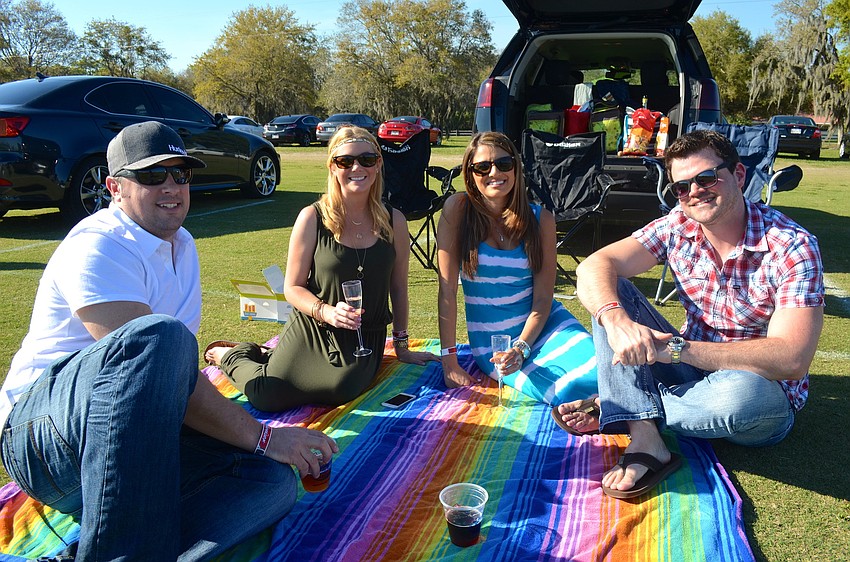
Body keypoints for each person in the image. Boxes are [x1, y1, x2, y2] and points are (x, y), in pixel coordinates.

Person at [0, 121, 338, 560]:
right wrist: (264, 437)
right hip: (46, 442)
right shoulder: (98, 245)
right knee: (159, 336)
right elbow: (145, 359)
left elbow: (169, 384)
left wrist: (258, 447)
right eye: (153, 175)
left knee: (269, 484)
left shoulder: (183, 245)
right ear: (114, 187)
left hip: (132, 440)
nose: (172, 186)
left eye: (181, 173)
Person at [557, 129, 824, 499]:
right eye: (681, 187)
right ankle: (647, 437)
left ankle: (617, 407)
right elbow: (593, 266)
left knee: (738, 397)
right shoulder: (677, 226)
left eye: (706, 178)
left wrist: (678, 351)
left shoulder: (792, 246)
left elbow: (791, 359)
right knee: (609, 291)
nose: (694, 192)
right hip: (689, 370)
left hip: (759, 389)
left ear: (739, 175)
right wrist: (616, 321)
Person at [205, 126, 436, 411]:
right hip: (314, 326)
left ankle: (268, 355)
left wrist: (401, 346)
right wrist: (326, 312)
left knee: (343, 386)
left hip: (365, 334)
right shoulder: (312, 217)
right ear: (332, 166)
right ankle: (230, 355)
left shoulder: (394, 220)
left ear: (378, 164)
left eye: (366, 159)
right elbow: (292, 287)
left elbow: (398, 287)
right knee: (267, 394)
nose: (356, 167)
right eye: (345, 161)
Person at [436, 131, 598, 404]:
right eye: (482, 167)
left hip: (547, 326)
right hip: (494, 344)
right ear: (470, 173)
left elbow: (544, 299)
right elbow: (447, 291)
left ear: (516, 167)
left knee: (608, 372)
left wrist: (522, 346)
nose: (494, 172)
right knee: (566, 392)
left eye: (504, 163)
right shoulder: (459, 209)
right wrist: (449, 362)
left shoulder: (540, 219)